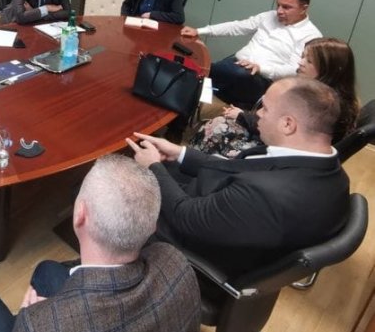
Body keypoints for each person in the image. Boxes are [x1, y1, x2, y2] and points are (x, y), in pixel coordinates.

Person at [126, 76, 350, 277]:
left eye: (265, 109)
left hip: (186, 244)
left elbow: (185, 217)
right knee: (161, 168)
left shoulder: (264, 194)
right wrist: (180, 153)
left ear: (288, 124)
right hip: (220, 210)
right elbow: (237, 169)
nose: (257, 114)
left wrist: (153, 167)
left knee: (122, 187)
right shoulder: (328, 169)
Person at [0, 154, 201, 332]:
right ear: (152, 226)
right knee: (46, 270)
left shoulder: (37, 324)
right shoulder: (175, 261)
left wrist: (34, 317)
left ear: (79, 215)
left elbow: (41, 323)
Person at [190, 37, 359, 157]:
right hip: (275, 144)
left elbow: (281, 133)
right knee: (218, 123)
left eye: (309, 61)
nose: (300, 63)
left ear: (328, 69)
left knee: (215, 127)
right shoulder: (324, 94)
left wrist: (242, 116)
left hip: (274, 155)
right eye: (302, 57)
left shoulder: (322, 105)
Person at [181, 0, 322, 108]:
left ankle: (202, 81)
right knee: (196, 78)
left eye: (286, 7)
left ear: (304, 8)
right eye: (278, 5)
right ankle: (194, 97)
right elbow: (237, 27)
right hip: (235, 65)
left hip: (262, 79)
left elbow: (295, 69)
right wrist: (199, 31)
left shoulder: (310, 35)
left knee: (204, 74)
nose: (279, 11)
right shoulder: (269, 16)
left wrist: (260, 68)